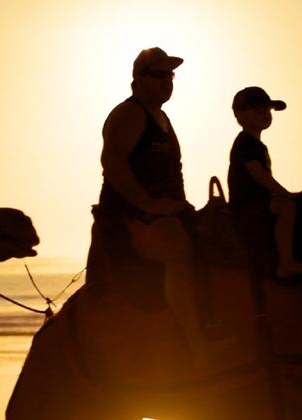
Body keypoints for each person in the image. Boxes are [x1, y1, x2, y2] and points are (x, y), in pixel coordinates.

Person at [96, 47, 211, 366]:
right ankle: (195, 342)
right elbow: (112, 162)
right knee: (177, 248)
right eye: (159, 75)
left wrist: (182, 206)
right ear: (137, 80)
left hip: (164, 213)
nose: (167, 81)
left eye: (170, 75)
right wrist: (148, 204)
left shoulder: (163, 119)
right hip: (131, 218)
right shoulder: (129, 114)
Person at [227, 86, 302, 278]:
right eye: (258, 109)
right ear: (240, 115)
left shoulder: (256, 144)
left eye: (268, 109)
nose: (265, 113)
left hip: (258, 202)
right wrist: (285, 193)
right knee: (287, 207)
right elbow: (258, 174)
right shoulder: (245, 143)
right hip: (247, 206)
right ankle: (285, 262)